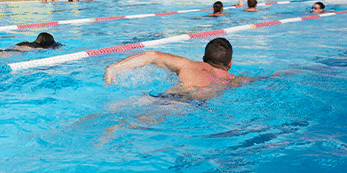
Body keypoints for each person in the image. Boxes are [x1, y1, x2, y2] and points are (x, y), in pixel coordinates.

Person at [103, 37, 254, 101]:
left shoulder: (187, 64)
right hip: (188, 105)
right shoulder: (233, 80)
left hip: (165, 97)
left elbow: (152, 55)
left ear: (203, 59)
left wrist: (114, 67)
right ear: (230, 64)